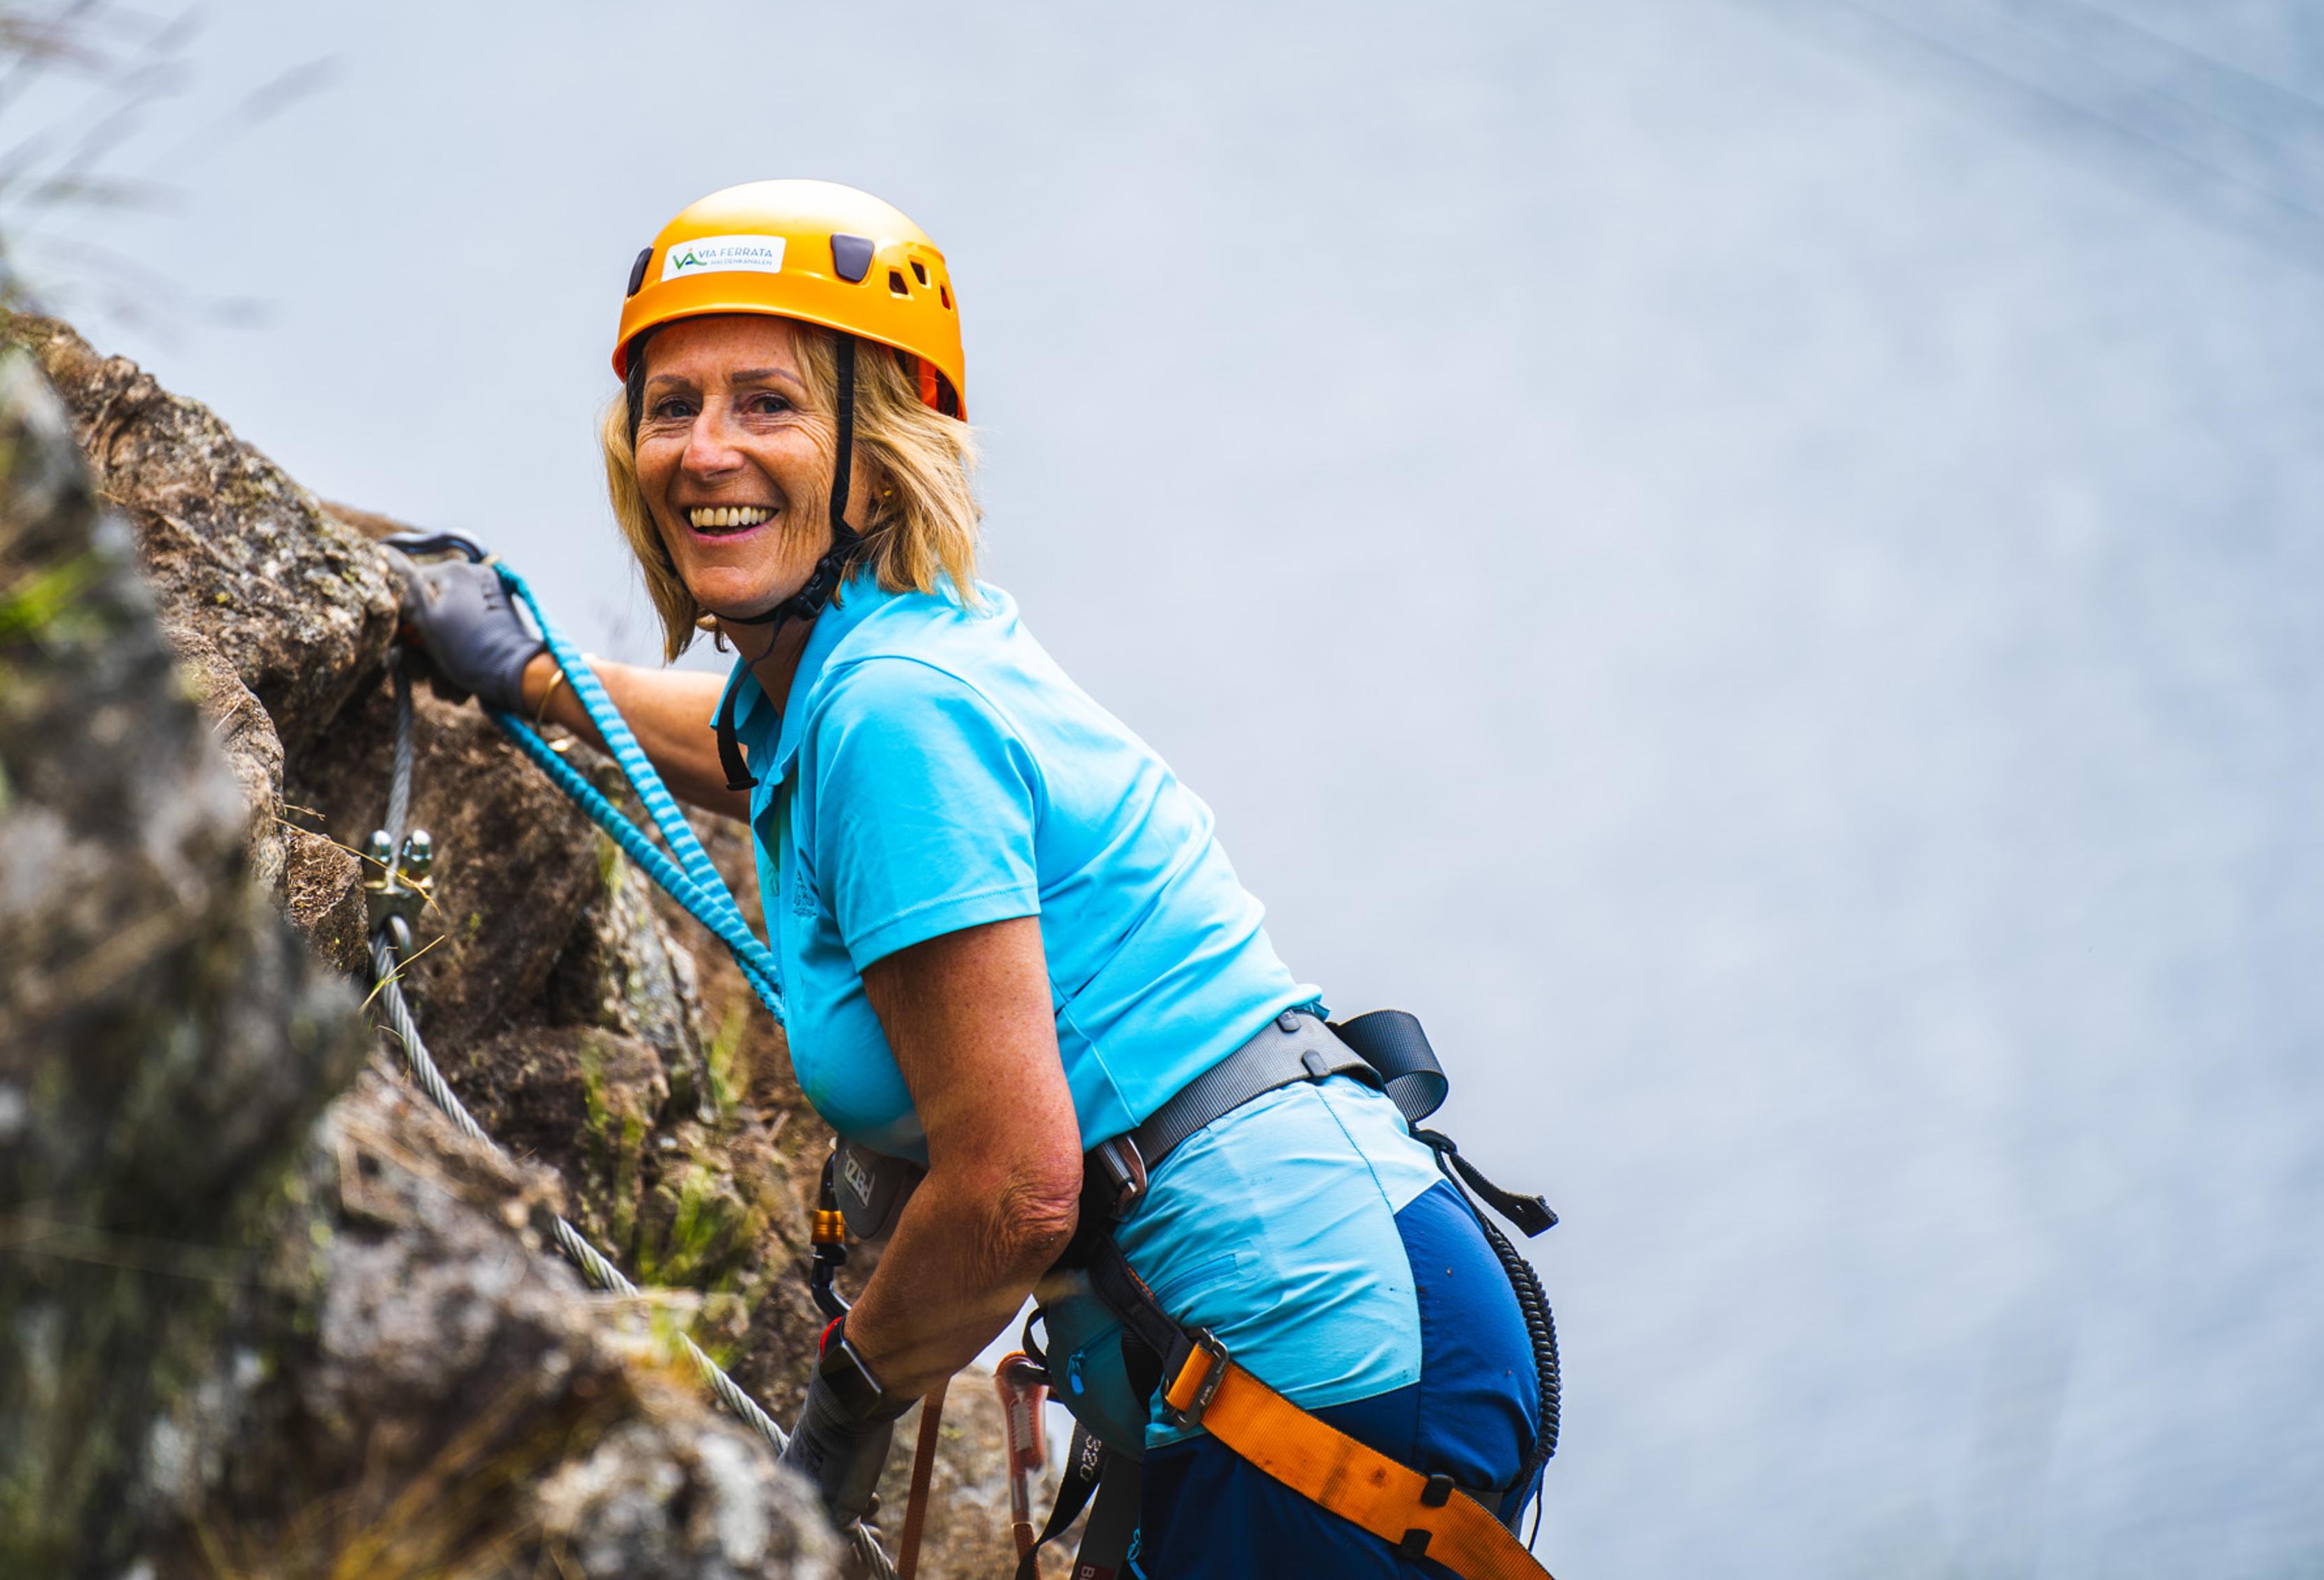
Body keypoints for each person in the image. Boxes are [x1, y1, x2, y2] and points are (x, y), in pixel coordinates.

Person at [397, 180, 1547, 1577]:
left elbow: (1014, 1189)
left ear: (874, 460)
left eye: (769, 403)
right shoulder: (866, 670)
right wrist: (535, 674)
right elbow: (759, 754)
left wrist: (835, 1419)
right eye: (672, 404)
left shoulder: (891, 713)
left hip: (1317, 1341)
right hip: (1344, 1296)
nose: (705, 450)